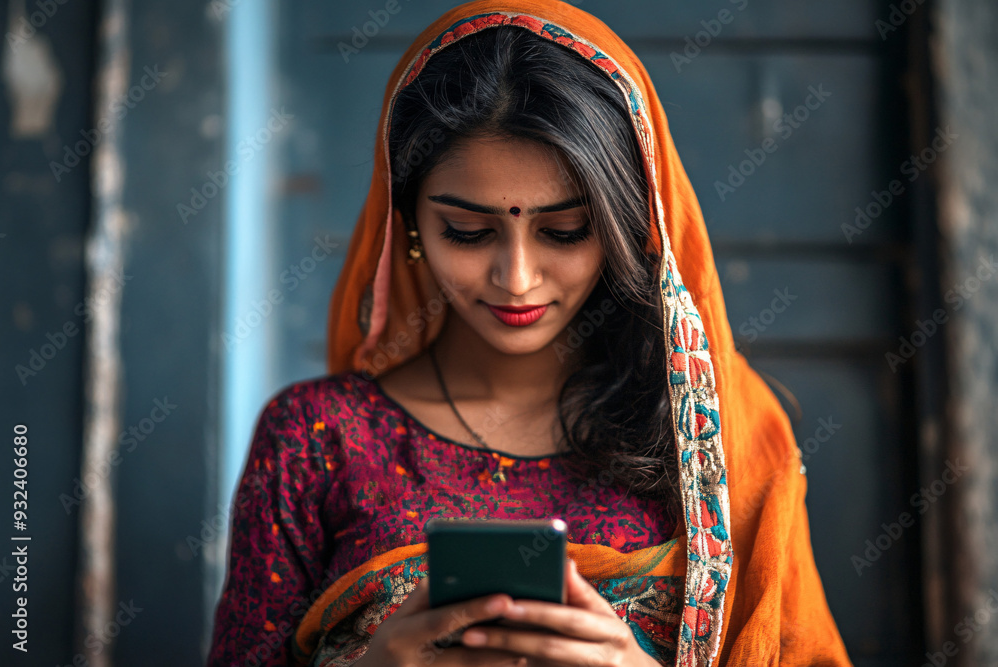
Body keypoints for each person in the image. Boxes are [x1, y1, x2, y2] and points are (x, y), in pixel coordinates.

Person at [207, 1, 853, 666]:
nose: (516, 278)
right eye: (467, 230)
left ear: (624, 227)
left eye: (565, 231)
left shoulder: (717, 437)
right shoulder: (316, 438)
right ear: (407, 224)